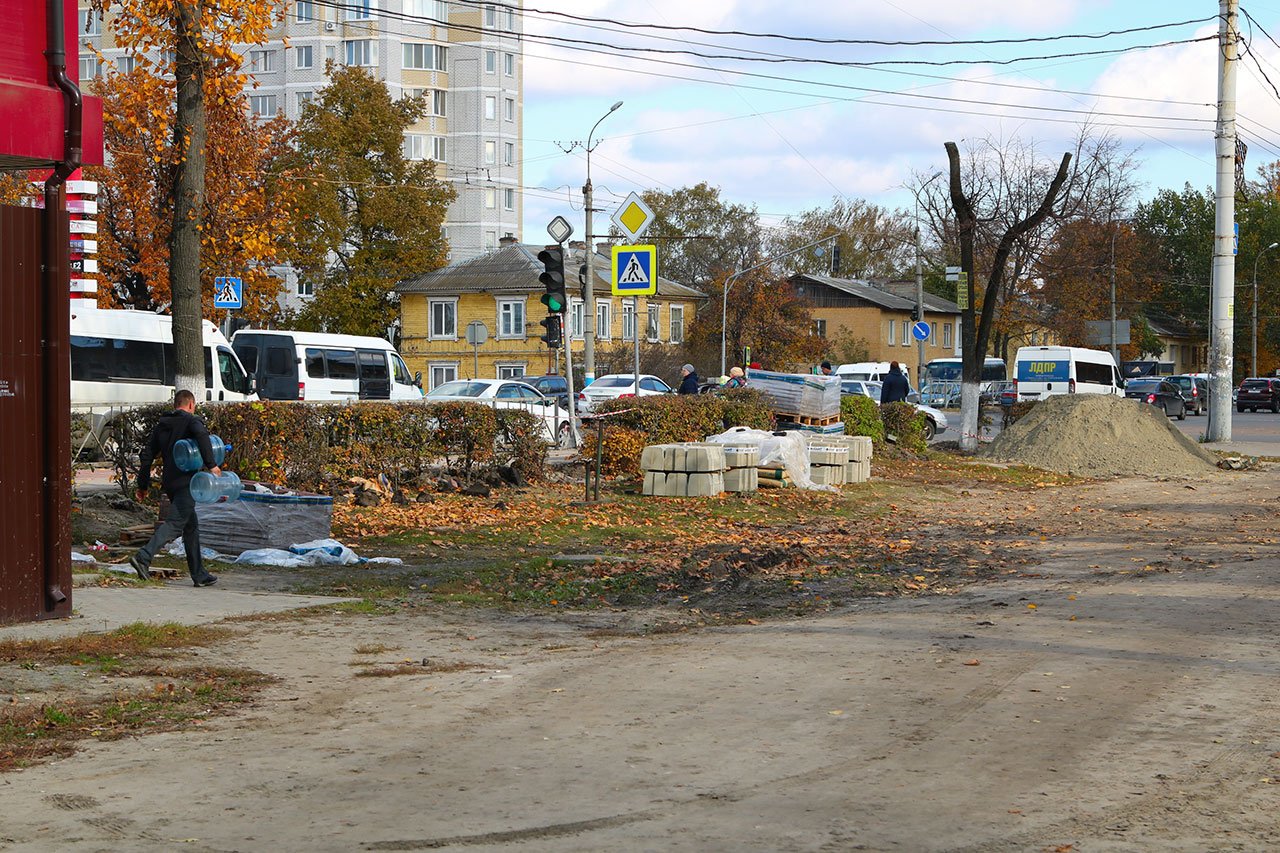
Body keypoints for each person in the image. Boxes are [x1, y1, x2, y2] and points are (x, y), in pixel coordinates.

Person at [130, 389, 220, 587]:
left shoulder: (162, 425)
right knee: (175, 524)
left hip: (170, 482)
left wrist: (142, 484)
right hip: (187, 483)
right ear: (190, 405)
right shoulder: (191, 421)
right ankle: (143, 557)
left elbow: (147, 455)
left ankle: (199, 574)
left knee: (191, 527)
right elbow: (203, 436)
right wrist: (212, 464)